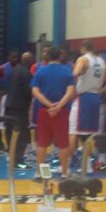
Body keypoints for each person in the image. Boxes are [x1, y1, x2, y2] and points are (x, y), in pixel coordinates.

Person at [69, 40, 106, 174]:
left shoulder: (83, 59)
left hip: (83, 98)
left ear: (83, 48)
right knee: (88, 135)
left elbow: (74, 74)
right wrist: (102, 90)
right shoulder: (101, 61)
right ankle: (87, 165)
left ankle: (67, 163)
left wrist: (72, 91)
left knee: (72, 132)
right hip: (96, 97)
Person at [32, 46, 75, 181]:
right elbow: (70, 93)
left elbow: (35, 92)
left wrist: (49, 105)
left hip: (44, 111)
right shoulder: (67, 71)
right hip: (62, 111)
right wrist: (57, 107)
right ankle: (64, 174)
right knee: (63, 143)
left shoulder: (40, 71)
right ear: (60, 56)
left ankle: (39, 174)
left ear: (47, 57)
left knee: (42, 143)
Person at [5, 52, 34, 169]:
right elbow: (27, 92)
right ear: (30, 61)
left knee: (10, 132)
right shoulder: (27, 73)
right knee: (22, 135)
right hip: (20, 107)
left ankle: (12, 157)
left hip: (9, 105)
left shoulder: (13, 70)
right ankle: (18, 161)